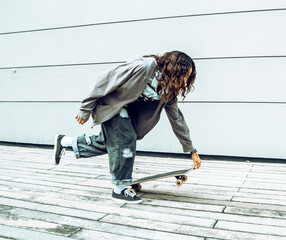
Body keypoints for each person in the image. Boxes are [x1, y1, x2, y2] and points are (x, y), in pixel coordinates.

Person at [52, 51, 201, 204]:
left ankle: (65, 142)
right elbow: (105, 79)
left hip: (128, 114)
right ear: (173, 69)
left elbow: (177, 120)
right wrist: (85, 109)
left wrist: (191, 150)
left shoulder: (168, 92)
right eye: (183, 75)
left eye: (188, 77)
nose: (184, 81)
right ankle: (119, 188)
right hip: (112, 105)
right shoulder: (144, 67)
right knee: (125, 140)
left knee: (112, 143)